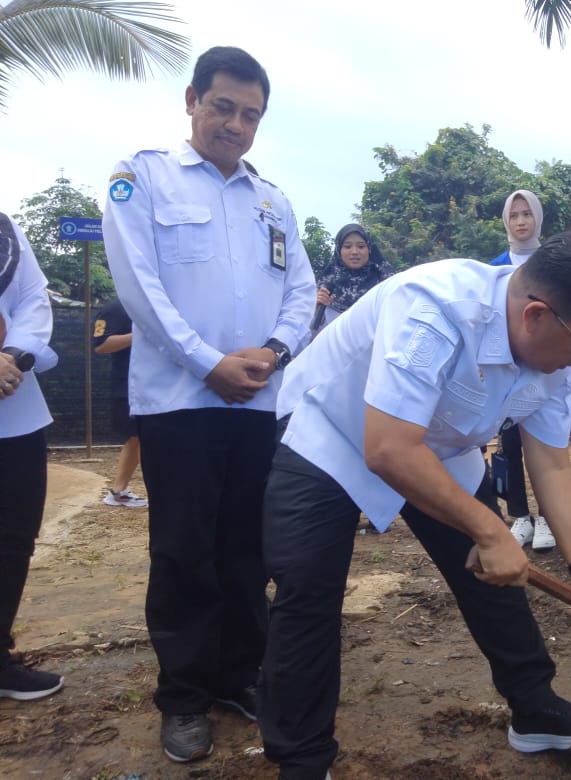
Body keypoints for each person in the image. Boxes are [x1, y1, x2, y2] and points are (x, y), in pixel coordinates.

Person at [259, 228, 571, 780]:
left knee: (496, 580)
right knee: (308, 590)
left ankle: (535, 707)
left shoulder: (562, 350)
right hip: (332, 433)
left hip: (441, 446)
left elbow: (551, 461)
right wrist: (490, 530)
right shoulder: (434, 307)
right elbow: (388, 448)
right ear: (536, 315)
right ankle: (302, 758)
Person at [101, 46, 316, 764]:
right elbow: (139, 288)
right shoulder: (145, 178)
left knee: (246, 547)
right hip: (176, 403)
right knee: (184, 550)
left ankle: (239, 675)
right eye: (223, 106)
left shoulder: (272, 199)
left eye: (251, 114)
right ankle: (184, 696)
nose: (235, 124)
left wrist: (274, 353)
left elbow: (298, 292)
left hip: (256, 402)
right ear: (192, 99)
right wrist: (209, 364)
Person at [0, 213, 64, 701]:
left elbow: (32, 299)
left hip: (13, 401)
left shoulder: (3, 227)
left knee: (13, 536)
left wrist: (14, 355)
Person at [488, 190, 556, 550]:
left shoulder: (554, 260)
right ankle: (521, 515)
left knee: (545, 443)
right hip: (507, 369)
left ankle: (547, 516)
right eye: (514, 215)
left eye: (527, 214)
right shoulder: (495, 265)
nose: (520, 221)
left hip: (547, 368)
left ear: (538, 218)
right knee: (509, 444)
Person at [93, 298, 147, 508]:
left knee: (138, 438)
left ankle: (118, 490)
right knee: (137, 437)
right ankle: (119, 491)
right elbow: (101, 345)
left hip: (151, 383)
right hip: (127, 386)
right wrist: (142, 335)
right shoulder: (116, 308)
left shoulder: (151, 305)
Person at [311, 223, 394, 335]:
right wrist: (315, 309)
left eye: (361, 246)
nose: (354, 252)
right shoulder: (323, 287)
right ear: (339, 250)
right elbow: (308, 332)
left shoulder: (386, 286)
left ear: (369, 249)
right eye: (347, 246)